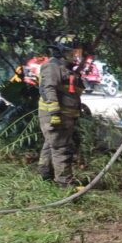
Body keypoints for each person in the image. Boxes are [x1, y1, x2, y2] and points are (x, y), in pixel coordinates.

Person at [37, 35, 84, 187]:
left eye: (77, 52)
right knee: (61, 148)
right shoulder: (52, 66)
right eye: (72, 52)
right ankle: (64, 184)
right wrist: (54, 113)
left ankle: (45, 176)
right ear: (62, 51)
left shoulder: (65, 68)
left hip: (65, 115)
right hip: (56, 116)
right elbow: (48, 88)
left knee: (51, 145)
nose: (76, 55)